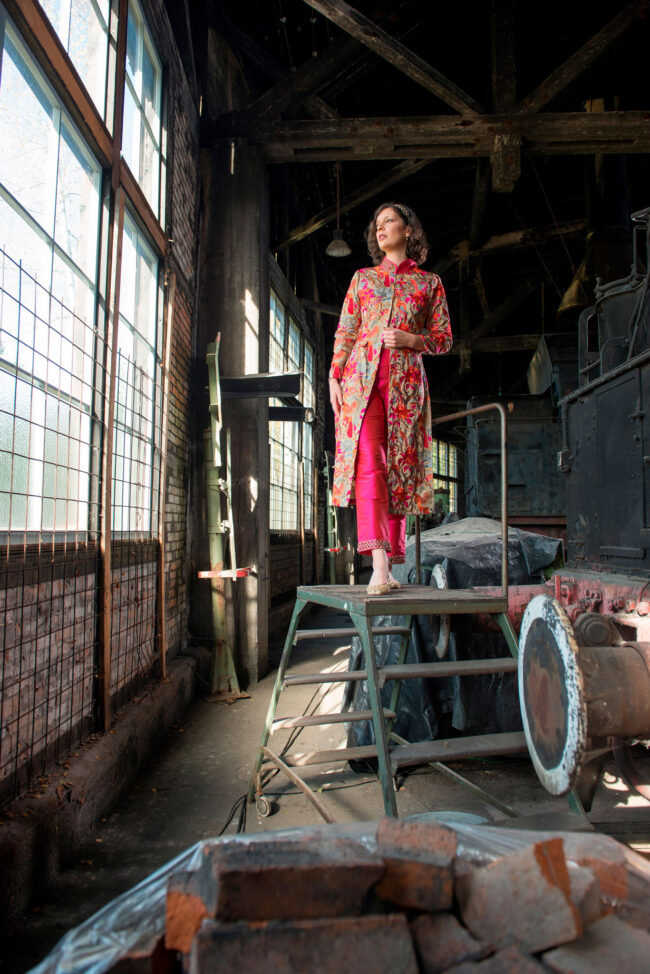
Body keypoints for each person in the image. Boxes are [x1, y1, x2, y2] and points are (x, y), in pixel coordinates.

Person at [328, 202, 453, 595]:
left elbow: (444, 339)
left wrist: (412, 340)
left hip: (405, 388)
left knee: (398, 468)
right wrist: (333, 375)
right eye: (377, 225)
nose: (380, 229)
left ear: (408, 229)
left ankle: (392, 565)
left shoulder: (428, 284)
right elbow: (346, 331)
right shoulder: (363, 279)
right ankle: (378, 566)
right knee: (370, 465)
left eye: (389, 222)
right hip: (360, 386)